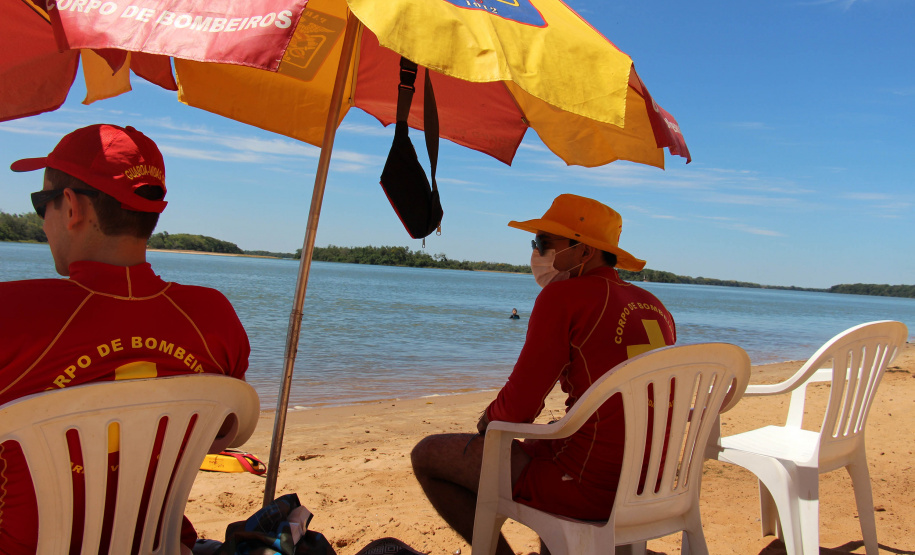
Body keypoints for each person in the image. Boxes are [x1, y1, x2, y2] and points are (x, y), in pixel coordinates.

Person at [0, 124, 250, 553]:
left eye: (42, 204)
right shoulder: (214, 317)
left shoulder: (12, 312)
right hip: (161, 545)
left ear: (72, 207)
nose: (42, 221)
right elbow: (222, 436)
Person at [411, 194, 676, 555]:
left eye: (543, 243)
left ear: (584, 252)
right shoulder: (655, 305)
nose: (536, 253)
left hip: (591, 486)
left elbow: (518, 408)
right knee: (546, 445)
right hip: (653, 483)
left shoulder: (564, 297)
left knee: (428, 455)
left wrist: (487, 422)